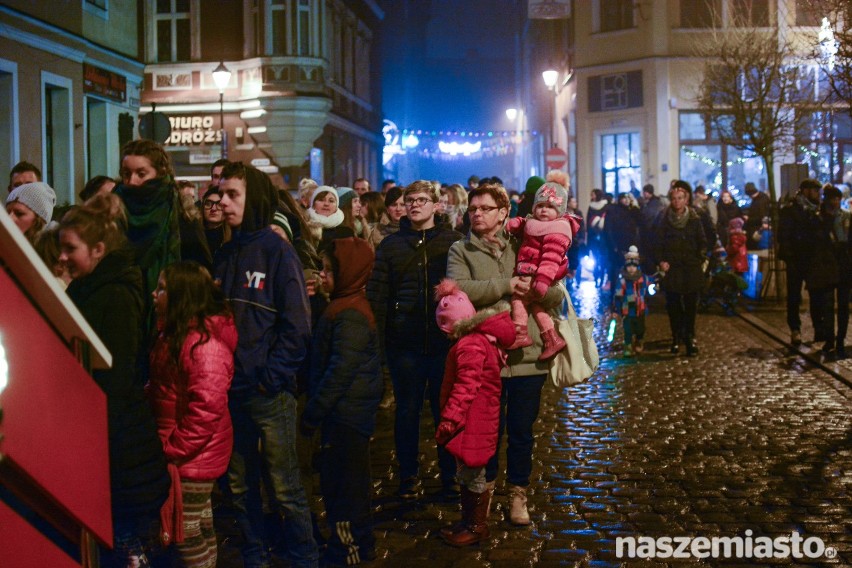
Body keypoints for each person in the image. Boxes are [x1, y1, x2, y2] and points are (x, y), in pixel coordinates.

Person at [215, 162, 318, 568]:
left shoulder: (278, 252)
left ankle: (303, 558)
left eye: (231, 194)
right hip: (230, 391)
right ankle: (255, 555)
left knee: (284, 486)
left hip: (267, 393)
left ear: (253, 197)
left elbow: (297, 327)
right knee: (239, 486)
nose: (222, 202)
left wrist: (270, 378)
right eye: (220, 194)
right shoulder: (225, 252)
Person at [59, 194, 170, 567]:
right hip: (111, 446)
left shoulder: (116, 295)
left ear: (98, 249)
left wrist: (90, 432)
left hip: (119, 451)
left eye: (69, 248)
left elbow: (116, 380)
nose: (62, 257)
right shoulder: (91, 287)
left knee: (127, 550)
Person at [446, 182, 564, 527]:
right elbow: (458, 289)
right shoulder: (460, 250)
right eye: (473, 209)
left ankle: (518, 495)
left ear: (503, 213)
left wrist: (541, 290)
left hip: (528, 359)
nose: (477, 214)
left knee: (522, 431)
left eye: (485, 209)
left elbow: (557, 289)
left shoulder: (527, 242)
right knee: (488, 430)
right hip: (487, 359)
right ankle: (484, 496)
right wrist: (505, 286)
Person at [366, 180, 463, 500]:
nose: (414, 204)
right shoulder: (391, 246)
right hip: (404, 343)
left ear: (437, 205)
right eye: (410, 200)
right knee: (406, 413)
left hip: (442, 343)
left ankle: (449, 474)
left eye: (422, 199)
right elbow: (378, 297)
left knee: (444, 410)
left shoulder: (452, 242)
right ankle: (408, 476)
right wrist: (379, 346)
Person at [148, 261, 237, 568]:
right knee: (200, 524)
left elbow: (206, 409)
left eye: (162, 289)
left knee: (184, 533)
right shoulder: (175, 336)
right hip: (190, 453)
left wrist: (173, 447)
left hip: (193, 456)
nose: (153, 294)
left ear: (181, 297)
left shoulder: (202, 346)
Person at [300, 237, 382, 566]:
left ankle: (346, 550)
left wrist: (313, 413)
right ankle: (363, 543)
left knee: (343, 489)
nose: (323, 275)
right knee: (351, 484)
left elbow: (339, 372)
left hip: (345, 417)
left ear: (348, 273)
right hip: (349, 414)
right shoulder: (344, 305)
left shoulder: (350, 315)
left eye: (329, 270)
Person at [433, 279, 514, 547]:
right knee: (468, 473)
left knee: (474, 475)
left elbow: (466, 387)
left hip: (473, 420)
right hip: (475, 419)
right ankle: (468, 521)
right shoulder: (476, 341)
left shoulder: (470, 345)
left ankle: (477, 526)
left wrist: (449, 419)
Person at [115, 139, 209, 337]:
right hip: (121, 322)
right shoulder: (111, 214)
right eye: (126, 174)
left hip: (171, 326)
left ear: (160, 172)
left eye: (141, 174)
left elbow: (199, 278)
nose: (132, 181)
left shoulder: (182, 216)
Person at [504, 171, 579, 359]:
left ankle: (520, 333)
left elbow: (551, 259)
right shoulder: (535, 222)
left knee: (518, 300)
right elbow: (527, 223)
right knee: (537, 307)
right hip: (531, 272)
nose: (544, 210)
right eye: (540, 206)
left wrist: (542, 281)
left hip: (538, 275)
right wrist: (516, 224)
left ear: (559, 211)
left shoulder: (557, 230)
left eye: (550, 207)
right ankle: (552, 338)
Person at [655, 180, 707, 357]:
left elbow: (703, 241)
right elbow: (658, 242)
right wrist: (661, 260)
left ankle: (690, 337)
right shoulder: (664, 219)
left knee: (691, 305)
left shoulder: (694, 218)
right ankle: (676, 337)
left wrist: (700, 257)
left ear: (686, 200)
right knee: (674, 305)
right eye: (674, 198)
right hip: (673, 269)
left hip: (691, 268)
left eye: (680, 198)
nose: (677, 201)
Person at [778, 178, 822, 346]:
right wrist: (789, 256)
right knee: (794, 296)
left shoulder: (817, 210)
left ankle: (819, 329)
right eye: (815, 191)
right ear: (805, 191)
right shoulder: (791, 210)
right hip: (796, 258)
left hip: (813, 259)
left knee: (817, 295)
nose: (818, 194)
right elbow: (783, 234)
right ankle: (795, 328)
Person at [811, 184, 851, 357]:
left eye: (837, 199)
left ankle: (840, 338)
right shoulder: (819, 218)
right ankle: (830, 338)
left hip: (844, 263)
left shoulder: (847, 216)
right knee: (827, 304)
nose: (835, 202)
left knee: (843, 305)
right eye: (832, 199)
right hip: (826, 264)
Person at [612, 246, 649, 357]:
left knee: (640, 329)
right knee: (628, 330)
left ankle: (639, 340)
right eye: (629, 266)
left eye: (634, 266)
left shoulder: (643, 278)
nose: (631, 268)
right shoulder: (622, 280)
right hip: (627, 310)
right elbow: (618, 296)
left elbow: (651, 282)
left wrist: (656, 282)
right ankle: (627, 345)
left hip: (640, 309)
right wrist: (616, 309)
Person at [603, 192, 640, 295]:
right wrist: (613, 246)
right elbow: (608, 230)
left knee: (629, 270)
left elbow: (639, 223)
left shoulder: (631, 211)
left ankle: (628, 294)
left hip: (629, 247)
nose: (627, 200)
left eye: (628, 198)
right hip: (617, 247)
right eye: (624, 198)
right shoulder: (613, 211)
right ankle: (615, 295)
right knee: (616, 271)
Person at [307, 185, 353, 252]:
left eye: (331, 201)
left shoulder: (346, 232)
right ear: (313, 205)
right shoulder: (304, 229)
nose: (326, 204)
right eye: (321, 200)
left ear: (336, 207)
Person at [587, 188, 609, 287]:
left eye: (593, 194)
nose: (591, 196)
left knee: (603, 259)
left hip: (603, 236)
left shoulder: (605, 205)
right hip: (593, 236)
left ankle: (602, 277)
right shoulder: (591, 207)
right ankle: (596, 277)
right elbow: (588, 222)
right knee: (595, 259)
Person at [201, 186, 230, 257]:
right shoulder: (195, 236)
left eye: (219, 204)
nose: (213, 209)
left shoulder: (233, 237)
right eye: (208, 204)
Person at [744, 182, 771, 250]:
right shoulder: (762, 199)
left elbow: (762, 216)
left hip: (757, 228)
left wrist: (749, 219)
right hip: (757, 227)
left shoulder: (760, 201)